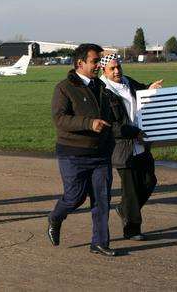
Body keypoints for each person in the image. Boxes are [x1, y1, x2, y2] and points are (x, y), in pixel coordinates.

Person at [47, 43, 121, 256]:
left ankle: (99, 242)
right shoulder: (64, 88)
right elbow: (60, 119)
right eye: (95, 61)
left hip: (100, 154)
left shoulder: (102, 87)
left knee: (102, 199)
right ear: (80, 63)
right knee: (75, 197)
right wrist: (89, 123)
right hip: (73, 153)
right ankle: (55, 217)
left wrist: (131, 131)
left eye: (99, 60)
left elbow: (110, 121)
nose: (99, 65)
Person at [100, 53, 161, 240]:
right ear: (104, 70)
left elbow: (142, 91)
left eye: (118, 67)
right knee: (131, 190)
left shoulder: (127, 81)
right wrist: (133, 133)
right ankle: (132, 229)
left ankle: (123, 208)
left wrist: (150, 87)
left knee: (150, 182)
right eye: (112, 68)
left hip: (141, 145)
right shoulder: (102, 91)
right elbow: (110, 125)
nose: (117, 71)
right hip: (121, 149)